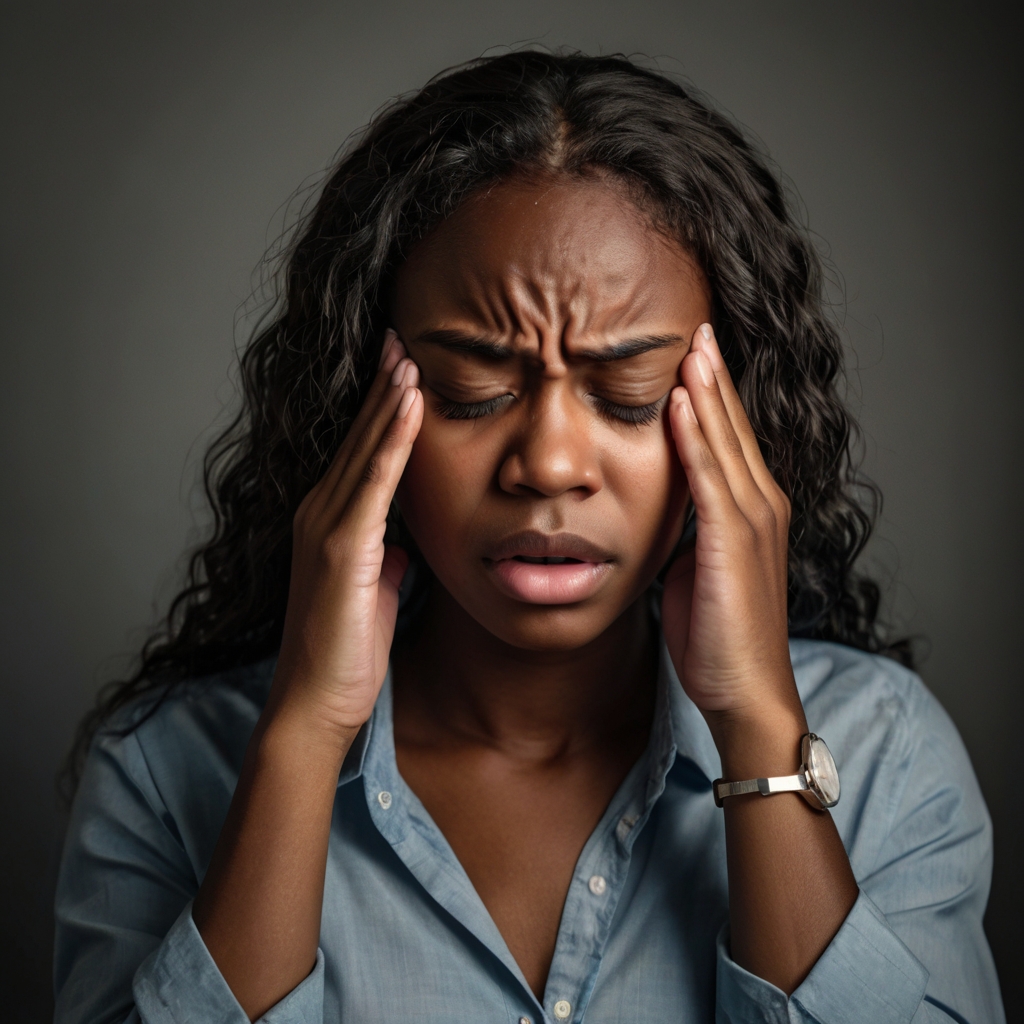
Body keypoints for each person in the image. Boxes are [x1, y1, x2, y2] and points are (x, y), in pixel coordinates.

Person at [53, 51, 1004, 1023]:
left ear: (736, 418)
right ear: (357, 409)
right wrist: (301, 739)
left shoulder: (883, 754)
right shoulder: (165, 773)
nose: (549, 464)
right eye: (472, 393)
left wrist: (755, 721)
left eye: (629, 398)